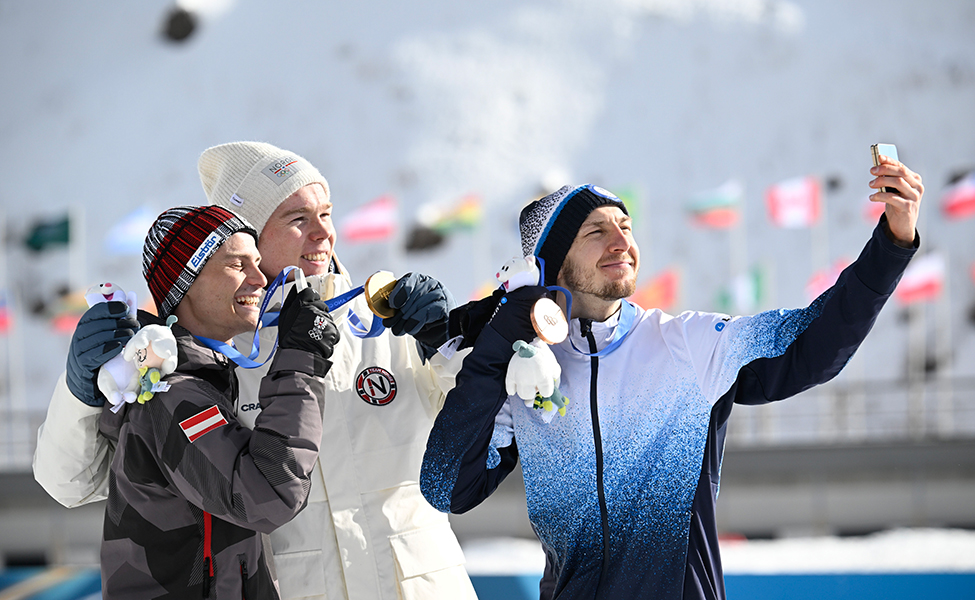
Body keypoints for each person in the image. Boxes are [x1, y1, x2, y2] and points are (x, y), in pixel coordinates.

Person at [420, 155, 924, 599]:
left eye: (626, 226)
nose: (622, 242)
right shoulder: (524, 377)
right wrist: (503, 339)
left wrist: (892, 244)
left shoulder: (687, 347)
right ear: (551, 265)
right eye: (596, 232)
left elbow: (813, 347)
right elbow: (447, 487)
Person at [34, 142, 477, 600]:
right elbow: (71, 483)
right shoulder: (206, 358)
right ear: (251, 235)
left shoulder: (383, 320)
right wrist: (81, 391)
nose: (323, 232)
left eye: (326, 214)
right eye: (298, 219)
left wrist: (448, 341)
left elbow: (486, 432)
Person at [97, 205, 337, 598]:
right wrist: (301, 361)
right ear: (185, 281)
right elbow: (270, 497)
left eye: (257, 263)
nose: (260, 279)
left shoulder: (197, 380)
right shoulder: (172, 394)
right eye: (237, 265)